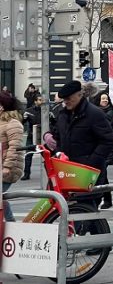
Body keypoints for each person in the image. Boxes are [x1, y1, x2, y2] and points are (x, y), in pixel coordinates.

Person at [43, 81, 113, 206]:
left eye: (69, 98)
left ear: (79, 95)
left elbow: (107, 141)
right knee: (73, 215)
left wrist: (91, 162)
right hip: (69, 173)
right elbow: (58, 138)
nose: (66, 102)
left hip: (89, 174)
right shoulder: (63, 115)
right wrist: (58, 152)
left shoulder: (94, 114)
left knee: (87, 215)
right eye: (64, 99)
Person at [0, 91, 25, 221]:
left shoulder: (12, 123)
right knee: (1, 198)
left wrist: (7, 167)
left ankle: (11, 224)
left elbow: (15, 147)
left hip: (8, 168)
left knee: (0, 197)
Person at [21, 93, 44, 180]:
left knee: (46, 154)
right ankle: (26, 174)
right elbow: (22, 123)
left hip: (43, 135)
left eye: (42, 100)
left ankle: (49, 172)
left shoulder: (46, 110)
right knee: (28, 155)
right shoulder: (29, 111)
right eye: (39, 100)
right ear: (35, 101)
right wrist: (24, 117)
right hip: (32, 135)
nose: (41, 102)